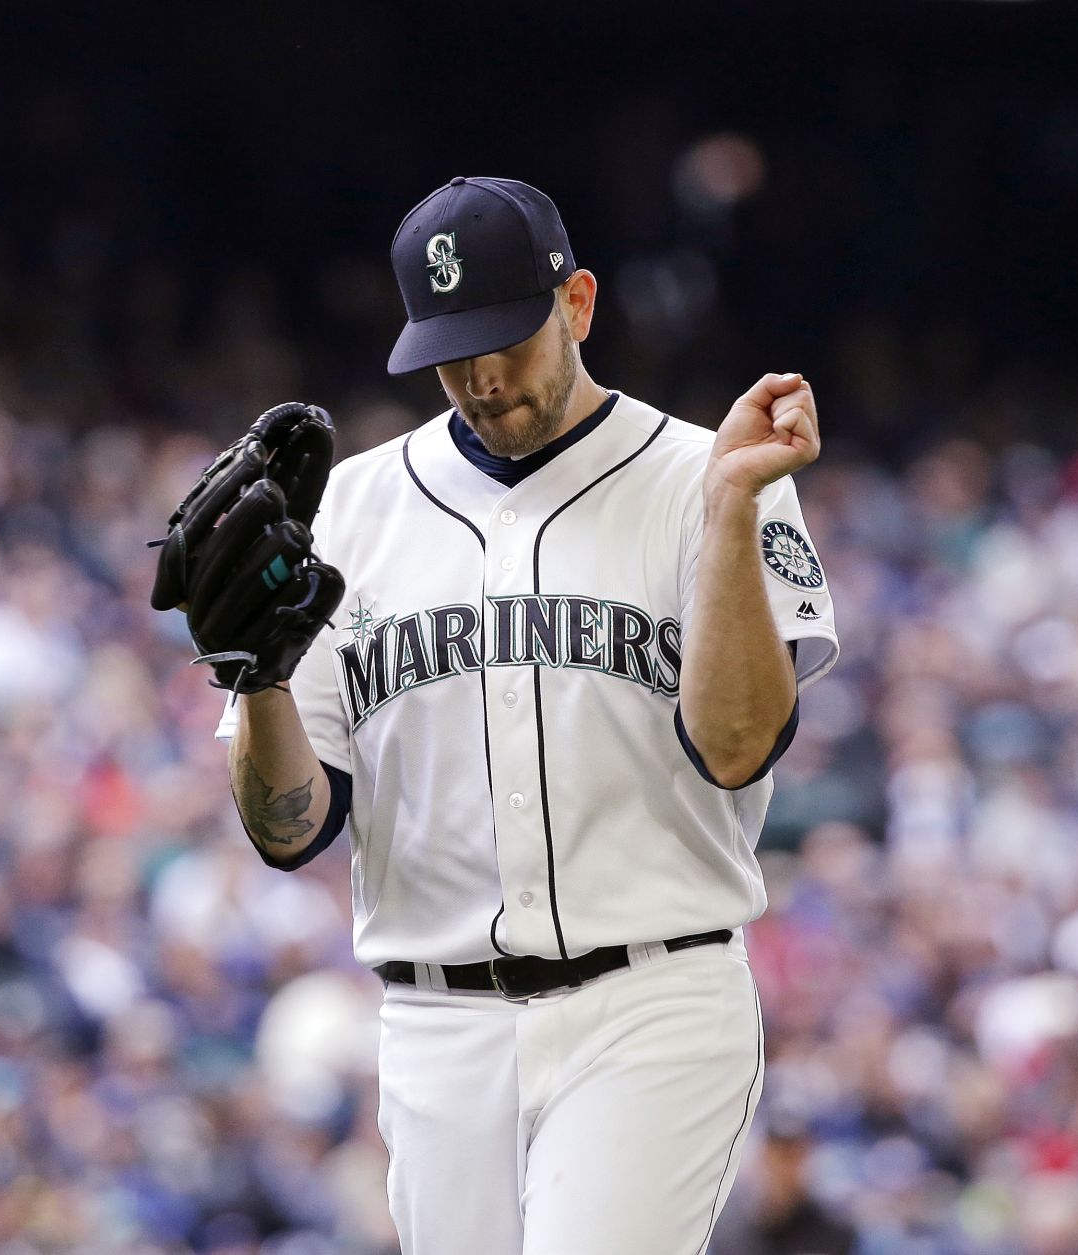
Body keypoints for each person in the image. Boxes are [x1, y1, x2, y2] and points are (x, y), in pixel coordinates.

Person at [216, 177, 840, 1252]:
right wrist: (260, 677)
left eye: (506, 335)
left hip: (651, 999)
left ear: (578, 303)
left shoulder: (711, 476)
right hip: (433, 1025)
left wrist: (732, 512)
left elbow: (736, 746)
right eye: (452, 349)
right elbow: (286, 829)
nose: (483, 374)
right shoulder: (345, 508)